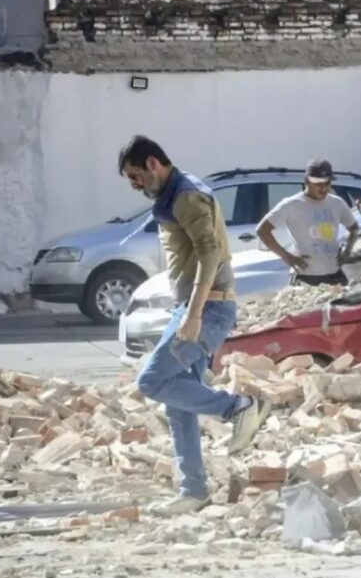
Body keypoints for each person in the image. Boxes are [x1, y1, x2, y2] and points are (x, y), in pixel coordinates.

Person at [119, 135, 265, 516]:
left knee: (151, 381)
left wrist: (194, 314)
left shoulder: (186, 196)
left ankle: (238, 407)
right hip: (196, 307)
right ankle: (194, 490)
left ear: (153, 163)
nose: (135, 185)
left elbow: (209, 253)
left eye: (136, 176)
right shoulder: (175, 195)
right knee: (178, 403)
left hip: (207, 309)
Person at [257, 159, 359, 287]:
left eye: (327, 183)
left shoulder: (337, 203)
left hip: (335, 275)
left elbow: (354, 228)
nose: (323, 188)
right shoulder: (291, 204)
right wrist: (287, 257)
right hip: (306, 277)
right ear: (307, 181)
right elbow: (262, 230)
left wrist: (347, 250)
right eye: (318, 184)